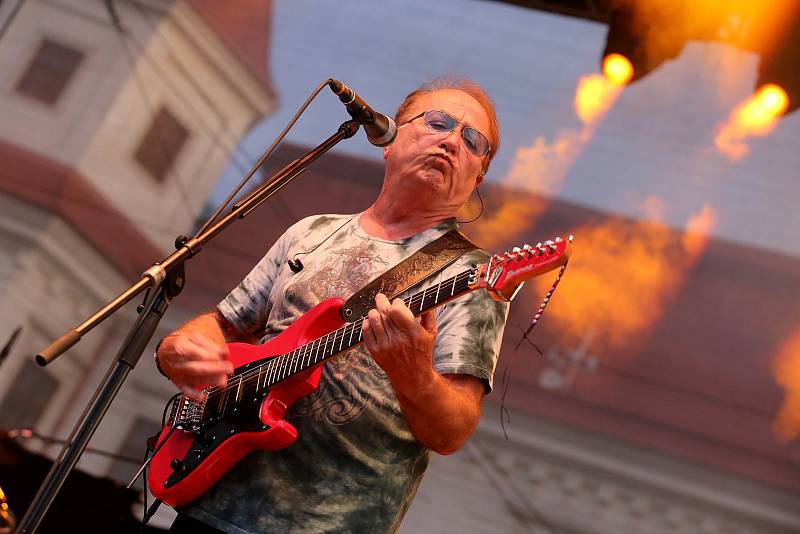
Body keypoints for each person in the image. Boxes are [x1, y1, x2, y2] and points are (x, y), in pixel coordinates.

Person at [156, 77, 510, 533]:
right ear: (390, 137)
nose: (450, 140)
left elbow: (453, 431)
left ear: (476, 177)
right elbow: (223, 326)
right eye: (437, 122)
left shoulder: (469, 276)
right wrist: (181, 347)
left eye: (471, 140)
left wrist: (414, 374)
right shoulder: (310, 231)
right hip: (213, 500)